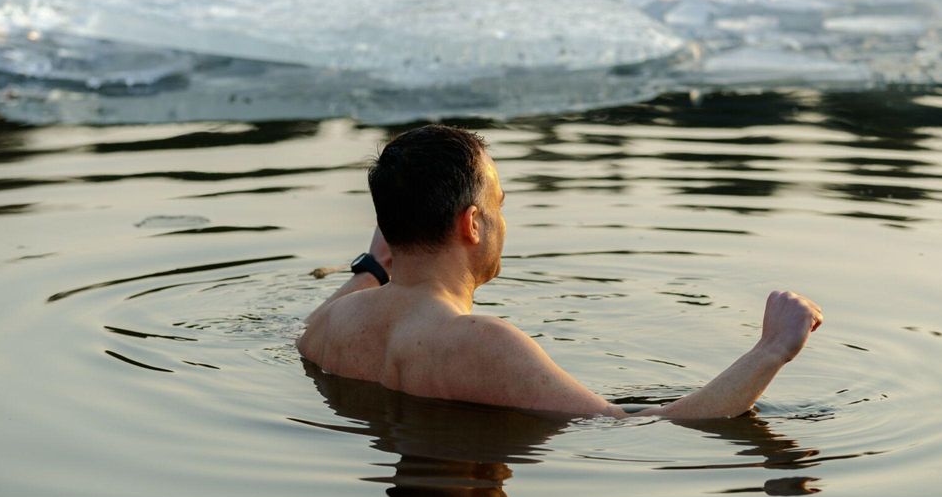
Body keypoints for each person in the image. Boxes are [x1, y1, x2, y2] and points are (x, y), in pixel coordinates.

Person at [298, 124, 823, 420]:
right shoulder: (481, 343)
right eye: (499, 205)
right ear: (472, 224)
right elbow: (638, 429)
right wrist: (771, 349)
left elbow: (307, 333)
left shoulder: (330, 326)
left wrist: (373, 267)